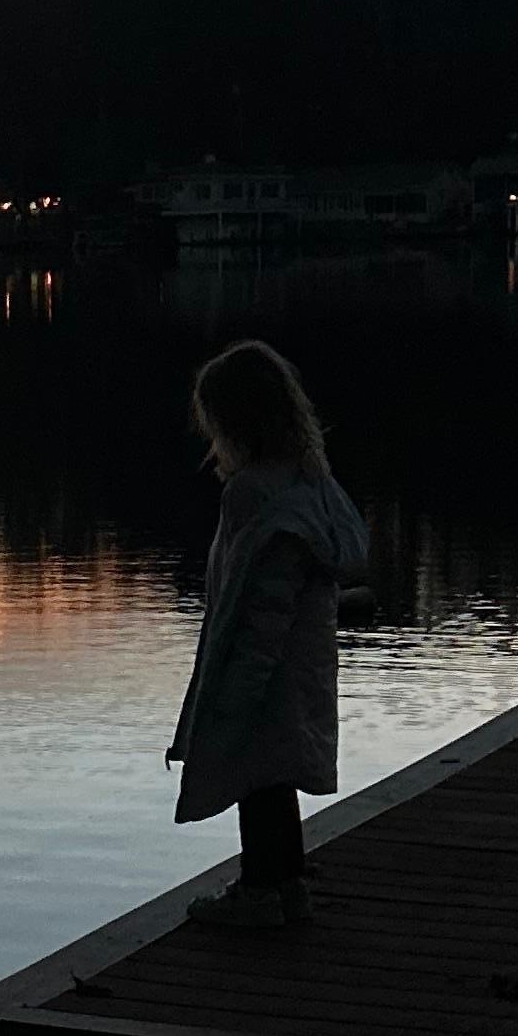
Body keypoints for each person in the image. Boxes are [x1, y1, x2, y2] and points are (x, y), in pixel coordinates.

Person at [165, 340, 369, 931]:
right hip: (301, 668)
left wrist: (240, 688)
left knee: (258, 782)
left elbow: (264, 608)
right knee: (274, 783)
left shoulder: (258, 500)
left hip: (267, 674)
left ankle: (261, 892)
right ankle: (286, 885)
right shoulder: (310, 484)